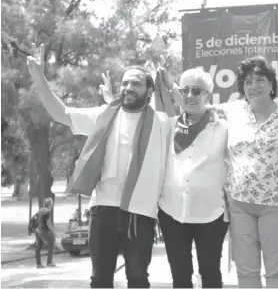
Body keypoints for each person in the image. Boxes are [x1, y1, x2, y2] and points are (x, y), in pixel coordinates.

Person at [27, 43, 171, 288]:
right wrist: (40, 78)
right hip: (103, 211)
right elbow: (60, 113)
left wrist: (173, 89)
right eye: (125, 83)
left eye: (136, 83)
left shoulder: (163, 122)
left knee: (138, 279)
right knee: (100, 279)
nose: (128, 87)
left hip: (140, 214)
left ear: (149, 91)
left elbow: (194, 116)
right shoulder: (103, 116)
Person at [205, 56, 278, 288]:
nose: (253, 85)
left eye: (259, 79)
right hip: (239, 205)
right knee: (246, 271)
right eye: (247, 82)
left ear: (271, 84)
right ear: (241, 88)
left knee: (276, 271)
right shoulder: (232, 111)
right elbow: (196, 105)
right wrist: (170, 88)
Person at [155, 68, 229, 288]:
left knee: (210, 273)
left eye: (196, 91)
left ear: (208, 95)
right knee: (180, 276)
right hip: (172, 212)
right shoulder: (169, 125)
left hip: (211, 214)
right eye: (185, 90)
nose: (189, 96)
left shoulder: (223, 128)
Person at [34, 197, 56, 268]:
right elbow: (49, 224)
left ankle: (38, 264)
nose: (52, 205)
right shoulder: (48, 211)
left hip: (37, 230)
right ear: (49, 204)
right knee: (51, 244)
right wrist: (53, 232)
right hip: (44, 230)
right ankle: (49, 262)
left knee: (38, 246)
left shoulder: (40, 210)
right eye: (52, 204)